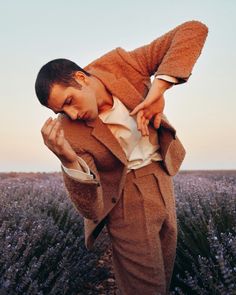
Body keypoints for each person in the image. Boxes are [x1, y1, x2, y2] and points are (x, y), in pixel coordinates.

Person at [35, 20, 208, 295]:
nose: (71, 115)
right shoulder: (69, 131)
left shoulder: (119, 64)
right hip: (125, 200)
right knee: (145, 288)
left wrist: (158, 90)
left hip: (163, 179)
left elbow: (193, 30)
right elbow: (91, 209)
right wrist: (68, 161)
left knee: (163, 277)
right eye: (61, 111)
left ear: (81, 78)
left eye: (69, 101)